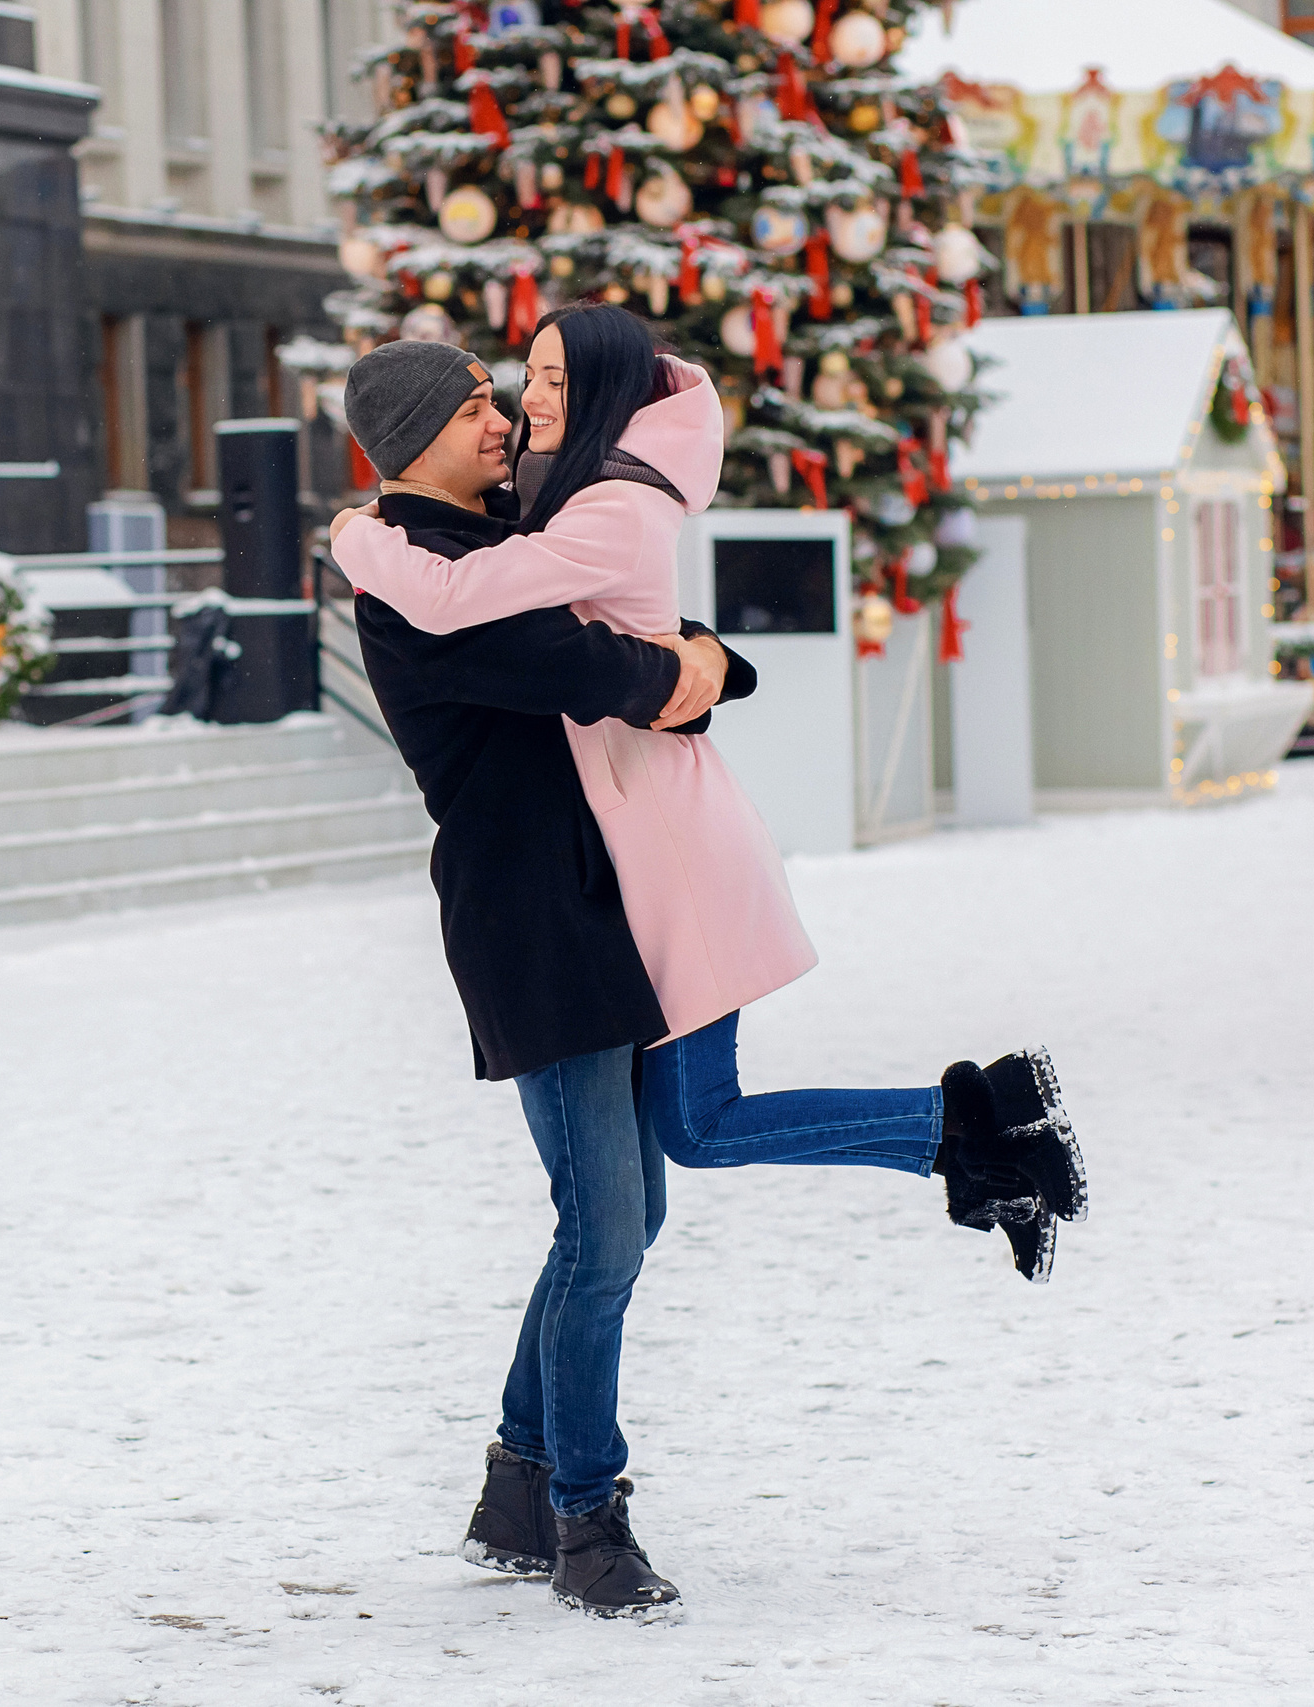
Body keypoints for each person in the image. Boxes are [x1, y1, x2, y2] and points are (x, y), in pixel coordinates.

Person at [336, 312, 1090, 1620]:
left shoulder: (488, 536)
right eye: (473, 406)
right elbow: (587, 667)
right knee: (609, 1230)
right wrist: (695, 666)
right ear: (410, 443)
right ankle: (586, 1517)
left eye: (503, 392)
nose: (503, 415)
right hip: (540, 927)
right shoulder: (414, 574)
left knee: (624, 1219)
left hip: (619, 903)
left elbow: (617, 593)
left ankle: (522, 1485)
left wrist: (695, 662)